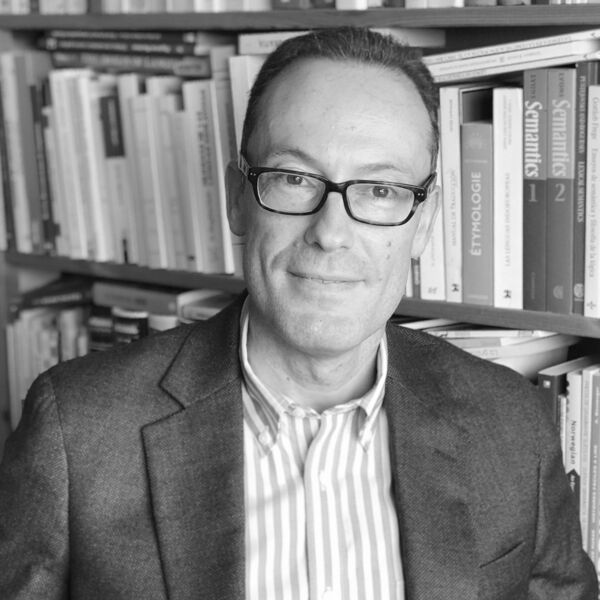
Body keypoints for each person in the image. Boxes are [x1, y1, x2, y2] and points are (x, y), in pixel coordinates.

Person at [0, 26, 596, 600]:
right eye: (294, 178)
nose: (330, 233)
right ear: (239, 199)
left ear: (424, 223)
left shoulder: (513, 424)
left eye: (380, 190)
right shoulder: (76, 433)